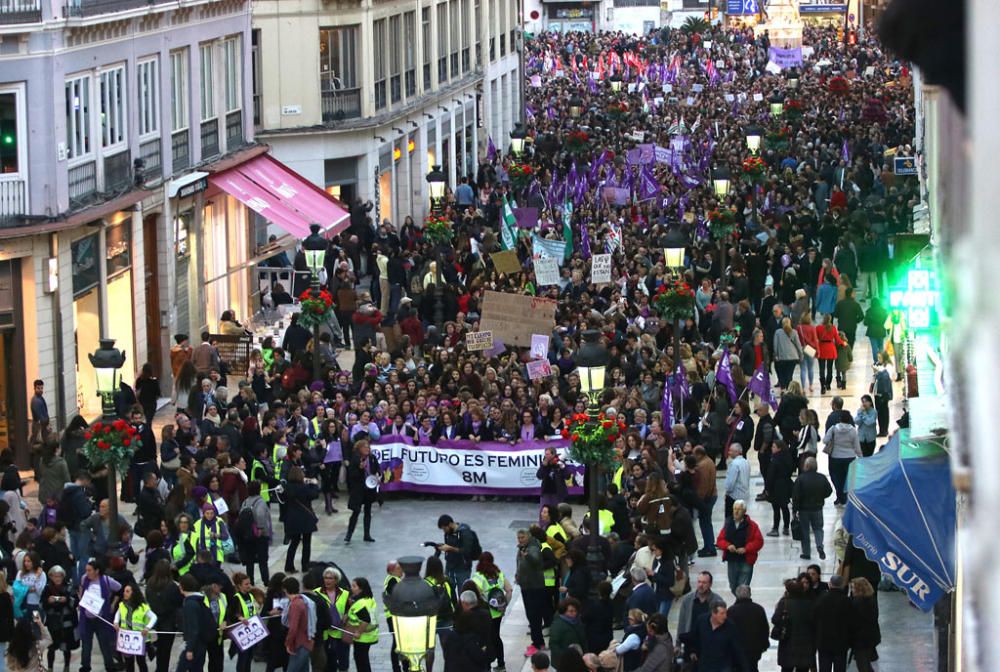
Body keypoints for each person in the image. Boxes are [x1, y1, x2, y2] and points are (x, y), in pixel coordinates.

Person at [77, 559, 121, 672]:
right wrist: (81, 598)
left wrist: (113, 603)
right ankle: (85, 666)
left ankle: (110, 666)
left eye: (89, 570)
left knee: (104, 643)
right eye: (86, 570)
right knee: (86, 645)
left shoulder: (106, 580)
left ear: (97, 571)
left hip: (101, 618)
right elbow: (81, 588)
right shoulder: (84, 579)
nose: (87, 573)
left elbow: (119, 588)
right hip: (86, 618)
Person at [472, 552, 511, 672]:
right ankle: (501, 664)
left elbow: (477, 594)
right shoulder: (499, 574)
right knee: (496, 637)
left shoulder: (478, 576)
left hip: (485, 613)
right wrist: (504, 606)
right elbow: (509, 590)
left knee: (485, 639)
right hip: (497, 613)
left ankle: (487, 666)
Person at [715, 499, 764, 595]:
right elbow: (720, 540)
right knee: (733, 586)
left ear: (744, 511)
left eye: (739, 509)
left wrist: (746, 548)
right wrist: (728, 546)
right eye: (734, 509)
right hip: (732, 559)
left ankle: (742, 604)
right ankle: (741, 602)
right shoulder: (728, 524)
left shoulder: (752, 525)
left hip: (746, 559)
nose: (736, 512)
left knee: (743, 588)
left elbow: (759, 541)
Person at [685, 601, 748, 672]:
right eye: (722, 613)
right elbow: (693, 638)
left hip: (723, 667)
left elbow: (738, 649)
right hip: (704, 665)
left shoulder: (730, 626)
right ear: (713, 613)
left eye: (725, 613)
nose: (725, 616)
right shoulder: (701, 621)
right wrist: (692, 651)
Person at [791, 456, 833, 560]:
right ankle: (819, 545)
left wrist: (794, 510)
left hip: (804, 509)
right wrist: (821, 497)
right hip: (817, 508)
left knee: (805, 531)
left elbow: (795, 496)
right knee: (818, 528)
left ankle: (806, 553)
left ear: (806, 466)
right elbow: (829, 491)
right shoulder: (822, 477)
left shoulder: (800, 479)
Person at [772, 578, 816, 672]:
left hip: (788, 643)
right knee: (802, 669)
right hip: (805, 644)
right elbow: (814, 623)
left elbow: (775, 619)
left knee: (786, 669)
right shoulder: (809, 604)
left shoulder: (784, 603)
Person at [146, 559, 183, 672]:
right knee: (166, 651)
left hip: (156, 621)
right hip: (169, 622)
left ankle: (159, 668)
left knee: (161, 647)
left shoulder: (150, 584)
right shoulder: (172, 586)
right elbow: (178, 602)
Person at [515, 528, 547, 657]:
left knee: (534, 616)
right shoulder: (523, 548)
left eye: (522, 537)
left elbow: (535, 560)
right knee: (532, 615)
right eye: (519, 538)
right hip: (526, 585)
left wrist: (527, 556)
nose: (520, 540)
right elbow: (521, 564)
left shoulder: (532, 548)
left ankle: (537, 644)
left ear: (528, 537)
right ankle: (539, 641)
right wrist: (518, 574)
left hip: (533, 587)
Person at [283, 466, 319, 573]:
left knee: (294, 543)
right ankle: (305, 565)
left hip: (292, 519)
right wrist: (314, 484)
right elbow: (314, 495)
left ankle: (289, 566)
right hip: (305, 518)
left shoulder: (287, 487)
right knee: (306, 544)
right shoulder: (304, 487)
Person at [114, 583, 158, 672]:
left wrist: (147, 628)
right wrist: (115, 622)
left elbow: (154, 617)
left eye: (127, 591)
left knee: (141, 662)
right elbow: (118, 614)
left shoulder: (143, 607)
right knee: (129, 663)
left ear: (133, 593)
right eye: (124, 591)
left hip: (139, 639)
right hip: (127, 639)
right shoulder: (122, 604)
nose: (124, 593)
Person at [40, 565, 76, 672]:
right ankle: (50, 667)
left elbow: (76, 602)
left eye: (59, 576)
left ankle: (67, 667)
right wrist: (48, 601)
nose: (57, 579)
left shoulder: (69, 587)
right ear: (51, 577)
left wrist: (67, 600)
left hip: (66, 622)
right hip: (52, 622)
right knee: (51, 646)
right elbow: (42, 603)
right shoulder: (47, 588)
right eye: (54, 576)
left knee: (66, 647)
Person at [344, 438, 380, 543]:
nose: (367, 449)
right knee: (356, 512)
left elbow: (377, 469)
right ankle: (349, 534)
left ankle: (367, 535)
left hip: (369, 489)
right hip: (358, 489)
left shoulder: (372, 458)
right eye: (365, 447)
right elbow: (351, 475)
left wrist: (378, 475)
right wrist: (359, 468)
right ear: (359, 448)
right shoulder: (355, 459)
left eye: (368, 447)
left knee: (368, 512)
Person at [814, 575, 852, 672]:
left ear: (829, 584)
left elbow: (814, 617)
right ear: (843, 585)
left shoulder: (821, 599)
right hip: (841, 642)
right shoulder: (847, 601)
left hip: (823, 641)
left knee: (824, 668)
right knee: (839, 668)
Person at [727, 584, 769, 672]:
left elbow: (728, 631)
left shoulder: (731, 611)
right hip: (754, 650)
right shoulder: (759, 609)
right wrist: (764, 645)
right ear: (750, 594)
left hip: (737, 650)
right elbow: (765, 629)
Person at [823, 414, 862, 506]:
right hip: (850, 457)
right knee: (848, 478)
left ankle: (840, 496)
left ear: (840, 419)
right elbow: (857, 446)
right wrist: (860, 456)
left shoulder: (833, 429)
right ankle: (847, 496)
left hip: (836, 457)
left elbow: (825, 440)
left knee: (837, 478)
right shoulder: (853, 430)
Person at [436, 514, 479, 591]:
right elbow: (449, 546)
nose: (444, 531)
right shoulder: (447, 533)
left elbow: (466, 551)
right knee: (447, 591)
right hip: (450, 567)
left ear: (450, 524)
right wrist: (442, 547)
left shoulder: (465, 533)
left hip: (463, 568)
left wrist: (450, 548)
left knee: (462, 591)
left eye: (444, 528)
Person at [676, 571, 722, 639]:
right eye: (699, 582)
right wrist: (678, 643)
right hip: (691, 641)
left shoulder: (717, 601)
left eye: (704, 582)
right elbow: (682, 622)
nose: (700, 585)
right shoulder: (687, 600)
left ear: (710, 584)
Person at [346, 577, 379, 672]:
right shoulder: (369, 598)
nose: (351, 588)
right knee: (363, 661)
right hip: (370, 635)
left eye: (354, 586)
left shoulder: (360, 604)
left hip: (362, 637)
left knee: (361, 662)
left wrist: (359, 632)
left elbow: (366, 619)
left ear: (361, 588)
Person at [282, 577, 314, 672]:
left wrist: (288, 643)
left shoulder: (295, 604)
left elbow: (293, 628)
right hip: (306, 642)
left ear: (285, 589)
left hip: (299, 644)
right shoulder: (302, 600)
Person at [848, 577, 881, 672]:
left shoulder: (856, 603)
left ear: (859, 588)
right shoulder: (871, 599)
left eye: (853, 588)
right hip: (871, 637)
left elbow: (853, 622)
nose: (852, 590)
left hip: (861, 640)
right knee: (866, 664)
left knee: (862, 665)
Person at [693, 446, 719, 557]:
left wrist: (700, 500)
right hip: (712, 495)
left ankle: (709, 547)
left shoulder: (702, 466)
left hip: (707, 497)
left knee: (704, 522)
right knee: (706, 522)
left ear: (699, 454)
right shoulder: (709, 461)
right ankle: (709, 545)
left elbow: (703, 485)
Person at [766, 440, 795, 537]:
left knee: (776, 508)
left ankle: (775, 528)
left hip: (776, 486)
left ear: (779, 448)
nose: (772, 448)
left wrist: (767, 488)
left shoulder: (775, 459)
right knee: (785, 507)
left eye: (774, 447)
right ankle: (786, 527)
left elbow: (770, 475)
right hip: (786, 484)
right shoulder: (787, 457)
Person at [548, 598, 586, 670]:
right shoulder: (557, 625)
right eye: (571, 611)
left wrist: (585, 653)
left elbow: (583, 640)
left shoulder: (578, 621)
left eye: (575, 611)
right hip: (563, 662)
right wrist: (566, 657)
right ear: (564, 611)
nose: (574, 613)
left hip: (578, 659)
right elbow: (553, 645)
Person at [723, 444, 750, 520]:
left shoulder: (734, 464)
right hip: (744, 495)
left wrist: (727, 492)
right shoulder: (746, 462)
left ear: (737, 452)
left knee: (731, 519)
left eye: (731, 451)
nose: (729, 452)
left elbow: (730, 482)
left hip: (734, 497)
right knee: (741, 518)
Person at [872, 353, 893, 437]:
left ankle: (884, 430)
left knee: (883, 412)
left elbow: (888, 377)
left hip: (883, 393)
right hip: (877, 392)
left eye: (880, 357)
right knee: (879, 412)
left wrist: (877, 372)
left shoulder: (887, 367)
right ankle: (882, 429)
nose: (878, 359)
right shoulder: (878, 365)